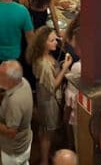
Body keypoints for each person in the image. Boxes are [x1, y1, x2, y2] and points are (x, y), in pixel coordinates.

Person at [27, 28, 72, 165]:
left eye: (55, 39)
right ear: (42, 43)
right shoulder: (43, 63)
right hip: (49, 100)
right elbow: (53, 86)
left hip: (47, 97)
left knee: (46, 128)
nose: (56, 42)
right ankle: (44, 160)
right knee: (48, 131)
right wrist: (65, 68)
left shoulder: (44, 55)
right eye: (52, 40)